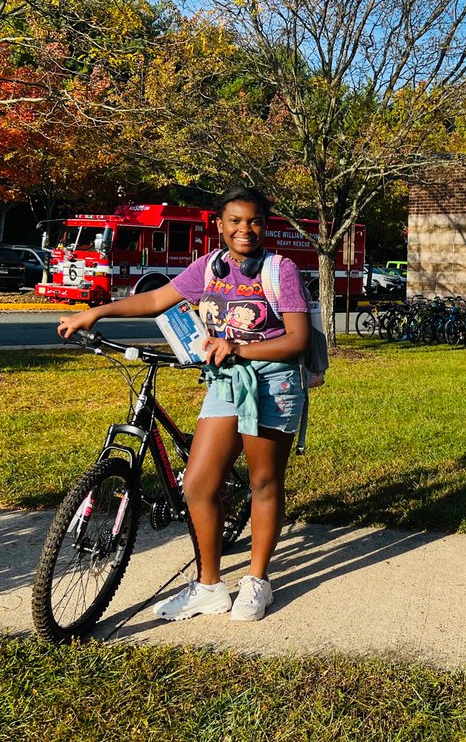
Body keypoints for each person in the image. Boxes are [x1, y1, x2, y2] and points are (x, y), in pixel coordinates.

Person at [57, 187, 310, 622]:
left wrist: (237, 348)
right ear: (219, 224)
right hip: (225, 383)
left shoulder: (278, 269)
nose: (244, 229)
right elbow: (156, 299)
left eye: (253, 221)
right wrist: (95, 313)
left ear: (265, 226)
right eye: (234, 221)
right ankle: (209, 586)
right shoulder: (208, 267)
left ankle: (256, 581)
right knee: (197, 485)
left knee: (264, 482)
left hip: (272, 383)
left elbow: (297, 339)